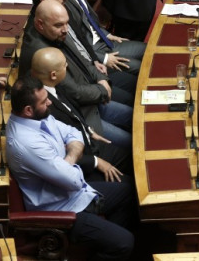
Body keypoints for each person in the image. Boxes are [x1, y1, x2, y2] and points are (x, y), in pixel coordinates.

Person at [6, 76, 135, 261]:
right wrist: (72, 157)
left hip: (76, 193)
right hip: (62, 210)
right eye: (44, 101)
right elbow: (73, 181)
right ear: (28, 110)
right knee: (125, 243)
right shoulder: (27, 143)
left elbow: (73, 132)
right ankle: (109, 241)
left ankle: (102, 238)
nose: (50, 102)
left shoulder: (38, 117)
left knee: (129, 193)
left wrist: (69, 158)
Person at [19, 0, 132, 148]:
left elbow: (84, 61)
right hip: (83, 114)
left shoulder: (57, 31)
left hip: (93, 96)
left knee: (134, 116)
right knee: (131, 142)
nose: (66, 29)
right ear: (40, 24)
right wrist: (103, 90)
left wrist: (101, 79)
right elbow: (74, 93)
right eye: (59, 25)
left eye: (66, 23)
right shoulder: (41, 53)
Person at [30, 48, 132, 179]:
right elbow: (62, 154)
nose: (67, 67)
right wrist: (95, 161)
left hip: (90, 140)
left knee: (131, 156)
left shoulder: (48, 83)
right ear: (53, 75)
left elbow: (71, 112)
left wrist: (88, 130)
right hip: (84, 164)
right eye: (64, 65)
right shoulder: (43, 106)